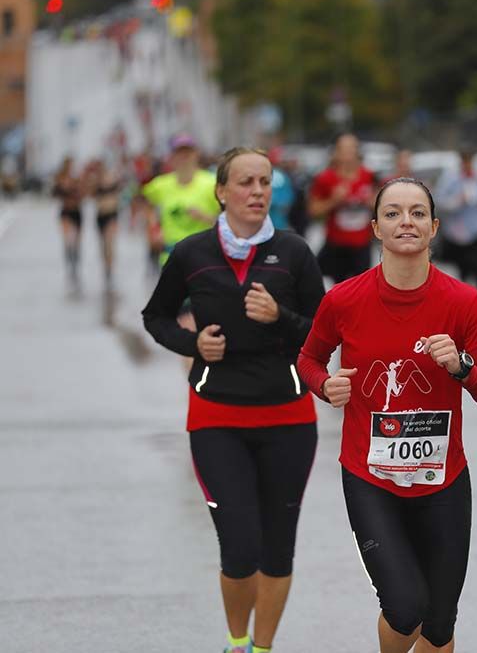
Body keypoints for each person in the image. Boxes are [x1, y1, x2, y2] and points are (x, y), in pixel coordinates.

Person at [297, 177, 477, 653]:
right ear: (375, 227)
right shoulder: (344, 300)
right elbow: (308, 359)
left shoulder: (462, 302)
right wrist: (323, 385)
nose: (406, 222)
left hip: (444, 481)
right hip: (370, 477)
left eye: (417, 213)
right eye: (393, 213)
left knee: (438, 627)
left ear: (434, 227)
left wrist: (463, 367)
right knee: (404, 608)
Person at [142, 147, 325, 653]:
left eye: (265, 182)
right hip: (216, 417)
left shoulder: (294, 253)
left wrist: (280, 319)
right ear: (221, 191)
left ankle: (262, 649)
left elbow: (325, 332)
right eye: (245, 182)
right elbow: (155, 317)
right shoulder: (191, 253)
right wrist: (192, 344)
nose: (257, 192)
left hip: (288, 419)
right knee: (240, 546)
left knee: (277, 548)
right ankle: (235, 640)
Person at [140, 134, 220, 267]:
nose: (184, 158)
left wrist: (206, 217)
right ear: (172, 157)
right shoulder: (161, 184)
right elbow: (145, 203)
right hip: (170, 257)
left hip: (204, 258)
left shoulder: (212, 183)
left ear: (196, 154)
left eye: (188, 153)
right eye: (179, 153)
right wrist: (153, 230)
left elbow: (229, 221)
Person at [308, 133, 377, 283]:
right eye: (343, 149)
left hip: (362, 245)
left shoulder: (369, 176)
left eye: (352, 149)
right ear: (336, 152)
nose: (348, 154)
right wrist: (334, 200)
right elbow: (313, 210)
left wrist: (371, 202)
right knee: (340, 290)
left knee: (362, 289)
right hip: (336, 245)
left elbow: (382, 204)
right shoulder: (325, 178)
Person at [435, 149, 477, 288]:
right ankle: (463, 293)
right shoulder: (450, 179)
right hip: (458, 231)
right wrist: (457, 201)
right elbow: (440, 202)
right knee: (463, 267)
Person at [87, 158, 124, 291]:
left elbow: (119, 191)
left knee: (109, 243)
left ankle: (110, 269)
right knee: (103, 245)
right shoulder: (94, 180)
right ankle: (106, 268)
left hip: (111, 214)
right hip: (100, 215)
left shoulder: (112, 177)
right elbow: (90, 195)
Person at [53, 156, 84, 293]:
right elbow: (55, 194)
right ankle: (69, 266)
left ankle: (75, 266)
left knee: (76, 243)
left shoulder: (78, 179)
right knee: (68, 241)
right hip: (66, 213)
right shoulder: (60, 179)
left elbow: (83, 194)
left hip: (77, 212)